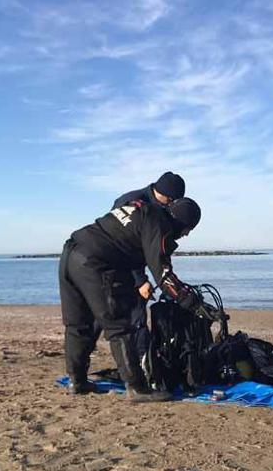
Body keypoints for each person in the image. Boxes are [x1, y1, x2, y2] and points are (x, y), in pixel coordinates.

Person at [59, 197, 203, 401]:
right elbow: (162, 273)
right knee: (118, 325)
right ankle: (137, 388)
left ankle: (77, 381)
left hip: (70, 253)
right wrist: (190, 302)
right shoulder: (158, 224)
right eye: (188, 229)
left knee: (77, 323)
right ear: (181, 223)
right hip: (95, 262)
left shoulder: (142, 209)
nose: (186, 234)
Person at [111, 172, 186, 359]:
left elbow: (158, 252)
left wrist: (168, 284)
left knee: (126, 316)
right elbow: (126, 246)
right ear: (166, 196)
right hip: (115, 266)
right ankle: (141, 364)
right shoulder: (132, 202)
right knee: (133, 316)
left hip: (131, 265)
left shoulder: (161, 208)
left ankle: (139, 360)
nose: (172, 206)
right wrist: (140, 280)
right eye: (171, 201)